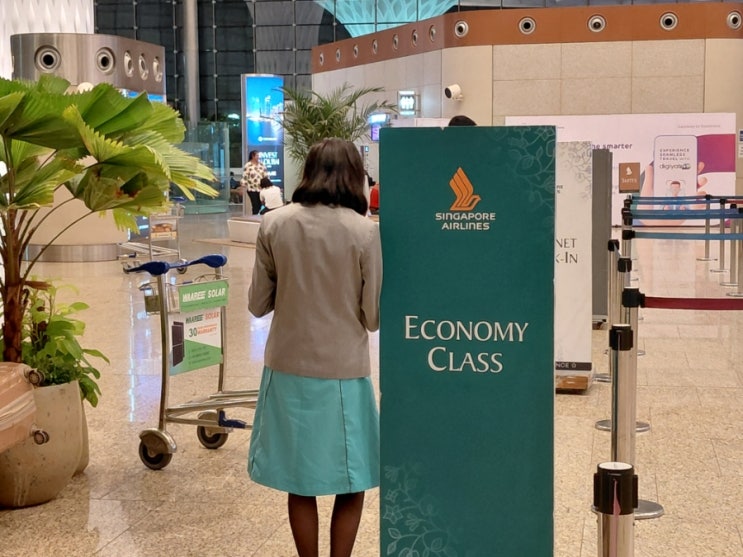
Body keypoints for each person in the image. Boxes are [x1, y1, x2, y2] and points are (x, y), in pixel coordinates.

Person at [247, 138, 382, 557]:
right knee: (352, 479)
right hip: (344, 370)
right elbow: (373, 316)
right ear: (355, 177)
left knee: (299, 479)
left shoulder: (274, 224)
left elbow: (257, 303)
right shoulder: (366, 232)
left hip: (287, 365)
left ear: (308, 171)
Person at [242, 150, 268, 214]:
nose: (258, 157)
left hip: (261, 188)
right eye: (257, 155)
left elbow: (265, 175)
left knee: (260, 205)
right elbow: (245, 176)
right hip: (251, 189)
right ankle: (254, 217)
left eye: (259, 155)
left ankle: (259, 216)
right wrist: (243, 186)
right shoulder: (248, 165)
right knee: (255, 205)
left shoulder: (261, 165)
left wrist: (267, 185)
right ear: (253, 156)